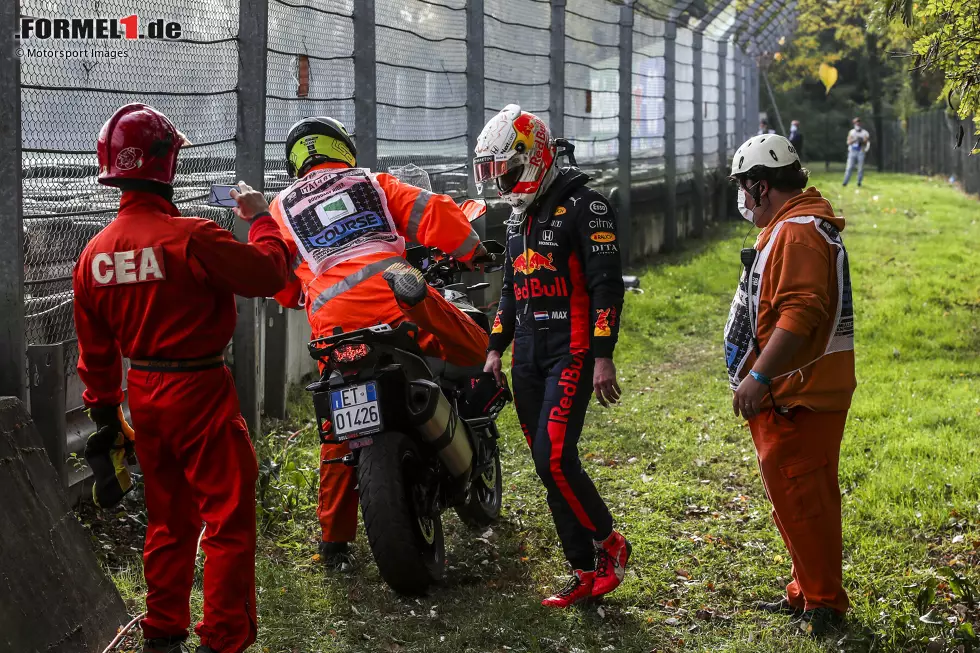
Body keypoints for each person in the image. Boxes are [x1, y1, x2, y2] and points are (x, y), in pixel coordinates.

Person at [74, 103, 291, 653]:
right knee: (227, 517)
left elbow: (96, 353)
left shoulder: (93, 255)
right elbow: (267, 274)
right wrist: (261, 218)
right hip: (200, 391)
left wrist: (106, 412)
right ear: (165, 163)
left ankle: (163, 631)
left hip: (143, 397)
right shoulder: (191, 237)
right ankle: (223, 637)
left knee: (168, 520)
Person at [269, 116, 491, 568]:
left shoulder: (281, 207)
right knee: (475, 347)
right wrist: (475, 253)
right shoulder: (370, 182)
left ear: (295, 162)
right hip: (394, 297)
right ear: (343, 148)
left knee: (340, 424)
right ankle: (463, 404)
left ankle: (333, 542)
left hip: (331, 323)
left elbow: (282, 279)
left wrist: (305, 293)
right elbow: (434, 214)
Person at [478, 104, 630, 608]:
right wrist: (495, 348)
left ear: (536, 156)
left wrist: (603, 355)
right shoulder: (517, 220)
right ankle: (583, 572)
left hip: (573, 350)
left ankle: (610, 543)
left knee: (555, 458)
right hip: (525, 357)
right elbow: (510, 292)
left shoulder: (589, 207)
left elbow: (607, 287)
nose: (503, 186)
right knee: (548, 468)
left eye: (509, 171)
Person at [725, 134, 856, 636]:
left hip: (798, 393)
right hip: (793, 392)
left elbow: (802, 312)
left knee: (806, 502)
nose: (741, 198)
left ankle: (825, 603)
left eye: (743, 187)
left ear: (761, 186)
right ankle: (806, 590)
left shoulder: (797, 233)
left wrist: (758, 376)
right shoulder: (793, 225)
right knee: (794, 501)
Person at [842, 117, 870, 187]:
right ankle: (845, 182)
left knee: (860, 168)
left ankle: (859, 182)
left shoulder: (865, 132)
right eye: (856, 122)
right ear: (854, 123)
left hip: (861, 151)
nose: (858, 124)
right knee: (849, 167)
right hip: (852, 151)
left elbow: (866, 141)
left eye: (859, 122)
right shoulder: (851, 132)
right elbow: (848, 142)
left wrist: (861, 141)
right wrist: (855, 140)